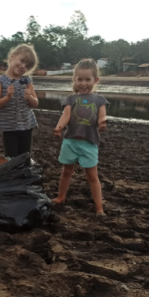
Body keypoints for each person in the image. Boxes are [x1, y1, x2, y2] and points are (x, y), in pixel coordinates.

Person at [52, 59, 108, 217]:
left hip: (89, 143)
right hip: (70, 141)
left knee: (92, 176)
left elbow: (102, 116)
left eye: (87, 79)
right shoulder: (71, 99)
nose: (84, 83)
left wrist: (102, 123)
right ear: (74, 80)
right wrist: (59, 127)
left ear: (95, 80)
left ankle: (99, 208)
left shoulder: (99, 100)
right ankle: (60, 197)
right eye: (80, 79)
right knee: (66, 171)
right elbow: (66, 115)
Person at [0, 44, 39, 157]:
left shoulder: (27, 80)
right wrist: (7, 97)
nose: (23, 66)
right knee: (11, 158)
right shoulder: (0, 81)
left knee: (25, 156)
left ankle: (24, 173)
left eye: (27, 66)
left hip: (27, 125)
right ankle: (14, 174)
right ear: (12, 56)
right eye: (22, 61)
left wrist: (30, 97)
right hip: (9, 128)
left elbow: (35, 104)